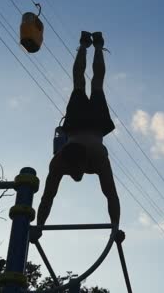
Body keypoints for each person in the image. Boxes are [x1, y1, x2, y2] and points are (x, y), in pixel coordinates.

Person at [32, 31, 120, 240]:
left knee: (89, 83)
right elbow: (47, 197)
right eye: (73, 172)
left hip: (81, 126)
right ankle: (86, 46)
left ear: (85, 162)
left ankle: (93, 46)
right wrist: (39, 226)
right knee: (84, 83)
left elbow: (111, 195)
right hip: (91, 126)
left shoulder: (98, 156)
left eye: (76, 171)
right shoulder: (59, 163)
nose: (75, 176)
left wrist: (115, 227)